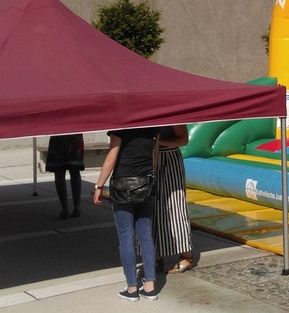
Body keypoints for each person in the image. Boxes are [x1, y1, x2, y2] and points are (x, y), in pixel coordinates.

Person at [93, 126, 182, 302]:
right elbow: (155, 156)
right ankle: (150, 287)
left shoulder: (119, 127)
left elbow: (111, 157)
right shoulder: (152, 127)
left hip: (122, 184)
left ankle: (132, 288)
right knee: (146, 236)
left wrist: (99, 186)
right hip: (146, 184)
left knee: (126, 237)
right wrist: (150, 177)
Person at [154, 125, 196, 274]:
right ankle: (155, 255)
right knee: (151, 208)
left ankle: (186, 255)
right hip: (147, 156)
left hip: (169, 158)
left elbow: (183, 139)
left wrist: (157, 142)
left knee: (175, 205)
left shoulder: (170, 114)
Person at [45, 133, 84, 219]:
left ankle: (65, 208)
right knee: (75, 171)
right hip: (74, 135)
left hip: (59, 134)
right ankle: (76, 207)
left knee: (59, 172)